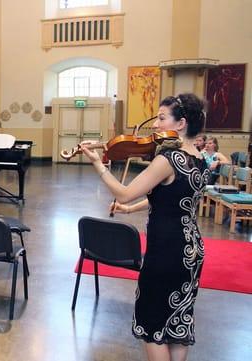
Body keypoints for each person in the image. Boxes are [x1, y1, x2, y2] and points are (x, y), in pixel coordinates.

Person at [80, 93, 209, 361]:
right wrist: (131, 210)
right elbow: (172, 200)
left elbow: (125, 192)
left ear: (181, 123)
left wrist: (98, 165)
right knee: (178, 319)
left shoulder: (168, 159)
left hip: (166, 250)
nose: (155, 125)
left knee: (153, 324)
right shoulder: (199, 159)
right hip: (191, 249)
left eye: (162, 118)